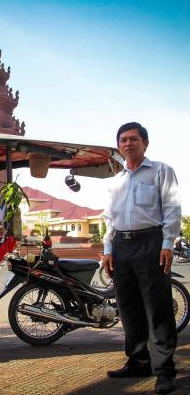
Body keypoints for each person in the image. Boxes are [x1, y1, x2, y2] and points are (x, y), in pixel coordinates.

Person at [102, 122, 181, 394]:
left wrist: (168, 243)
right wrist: (108, 250)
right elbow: (109, 220)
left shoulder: (161, 171)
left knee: (157, 307)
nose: (128, 143)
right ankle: (137, 361)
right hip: (120, 245)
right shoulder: (116, 181)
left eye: (134, 139)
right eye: (123, 140)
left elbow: (172, 208)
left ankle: (165, 371)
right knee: (128, 307)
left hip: (151, 242)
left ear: (145, 143)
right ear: (119, 146)